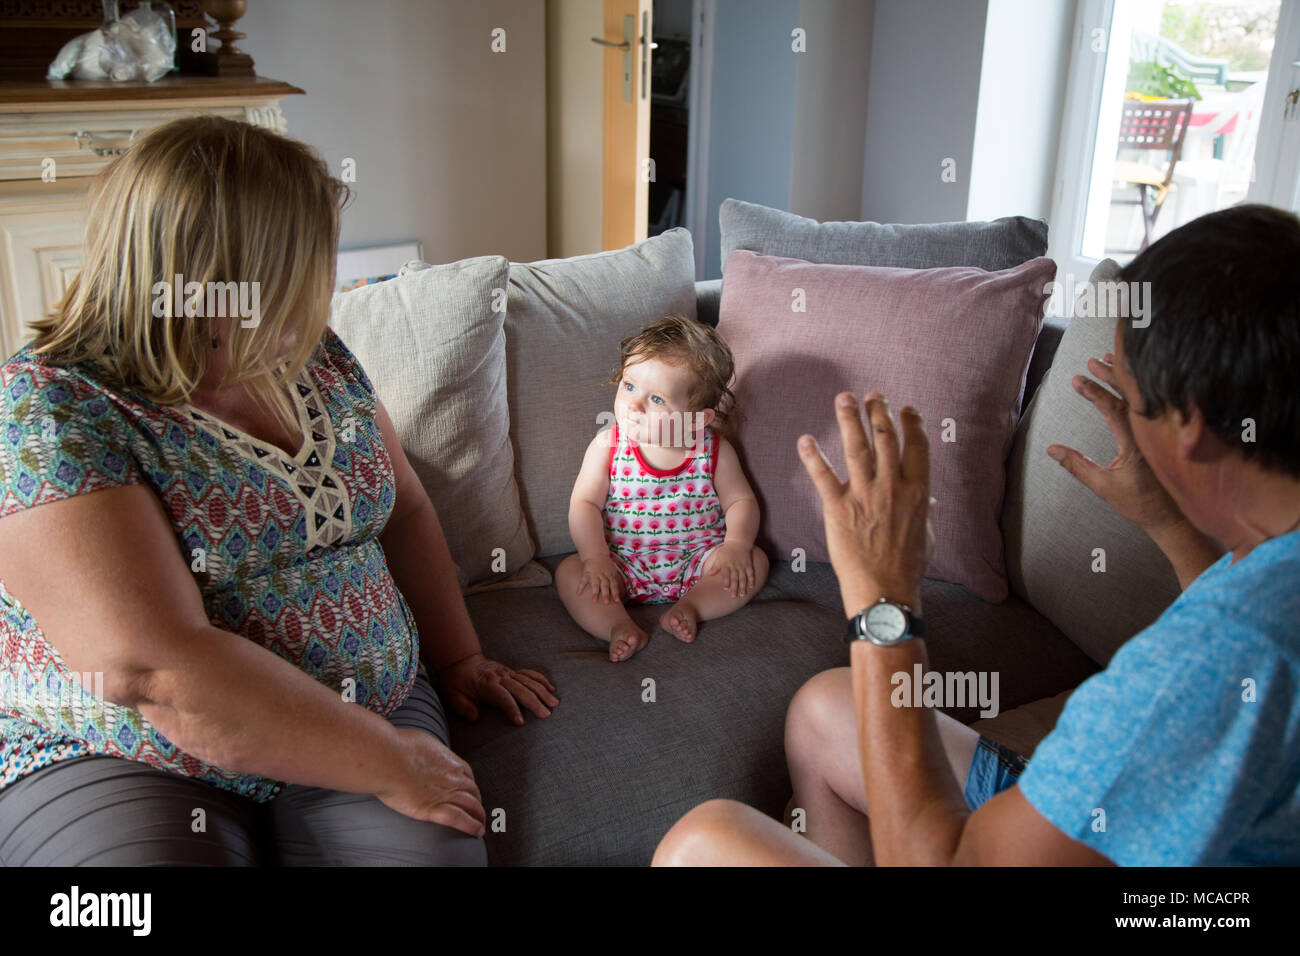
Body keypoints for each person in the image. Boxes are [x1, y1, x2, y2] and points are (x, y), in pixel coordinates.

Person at [653, 203, 1300, 866]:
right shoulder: (1268, 580)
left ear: (1190, 428)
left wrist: (883, 602)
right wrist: (1168, 519)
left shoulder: (1211, 662)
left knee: (699, 844)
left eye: (1133, 406)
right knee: (825, 707)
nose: (1128, 430)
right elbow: (1234, 626)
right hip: (1106, 825)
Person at [0, 115, 558, 866]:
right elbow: (153, 669)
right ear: (218, 278)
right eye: (309, 262)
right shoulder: (47, 409)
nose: (326, 286)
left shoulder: (309, 355)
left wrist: (458, 657)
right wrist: (391, 761)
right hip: (127, 754)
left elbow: (406, 508)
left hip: (368, 703)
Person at [556, 314, 769, 661]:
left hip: (700, 561)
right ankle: (615, 625)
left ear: (697, 419)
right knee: (569, 573)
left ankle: (692, 607)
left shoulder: (714, 450)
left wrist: (736, 545)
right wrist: (595, 558)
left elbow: (740, 501)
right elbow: (584, 504)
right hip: (620, 564)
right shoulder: (606, 447)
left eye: (656, 399)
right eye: (629, 386)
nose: (633, 404)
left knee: (754, 561)